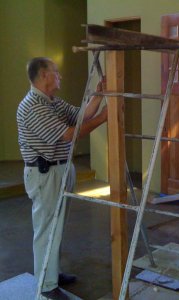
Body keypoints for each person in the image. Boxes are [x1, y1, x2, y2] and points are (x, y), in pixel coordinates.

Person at [16, 57, 107, 300]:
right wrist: (104, 117)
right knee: (47, 228)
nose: (60, 77)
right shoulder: (32, 106)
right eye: (56, 72)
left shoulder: (52, 102)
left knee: (56, 227)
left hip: (60, 170)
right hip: (44, 174)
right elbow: (68, 135)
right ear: (44, 76)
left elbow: (81, 115)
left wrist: (98, 96)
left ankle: (52, 272)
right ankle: (46, 285)